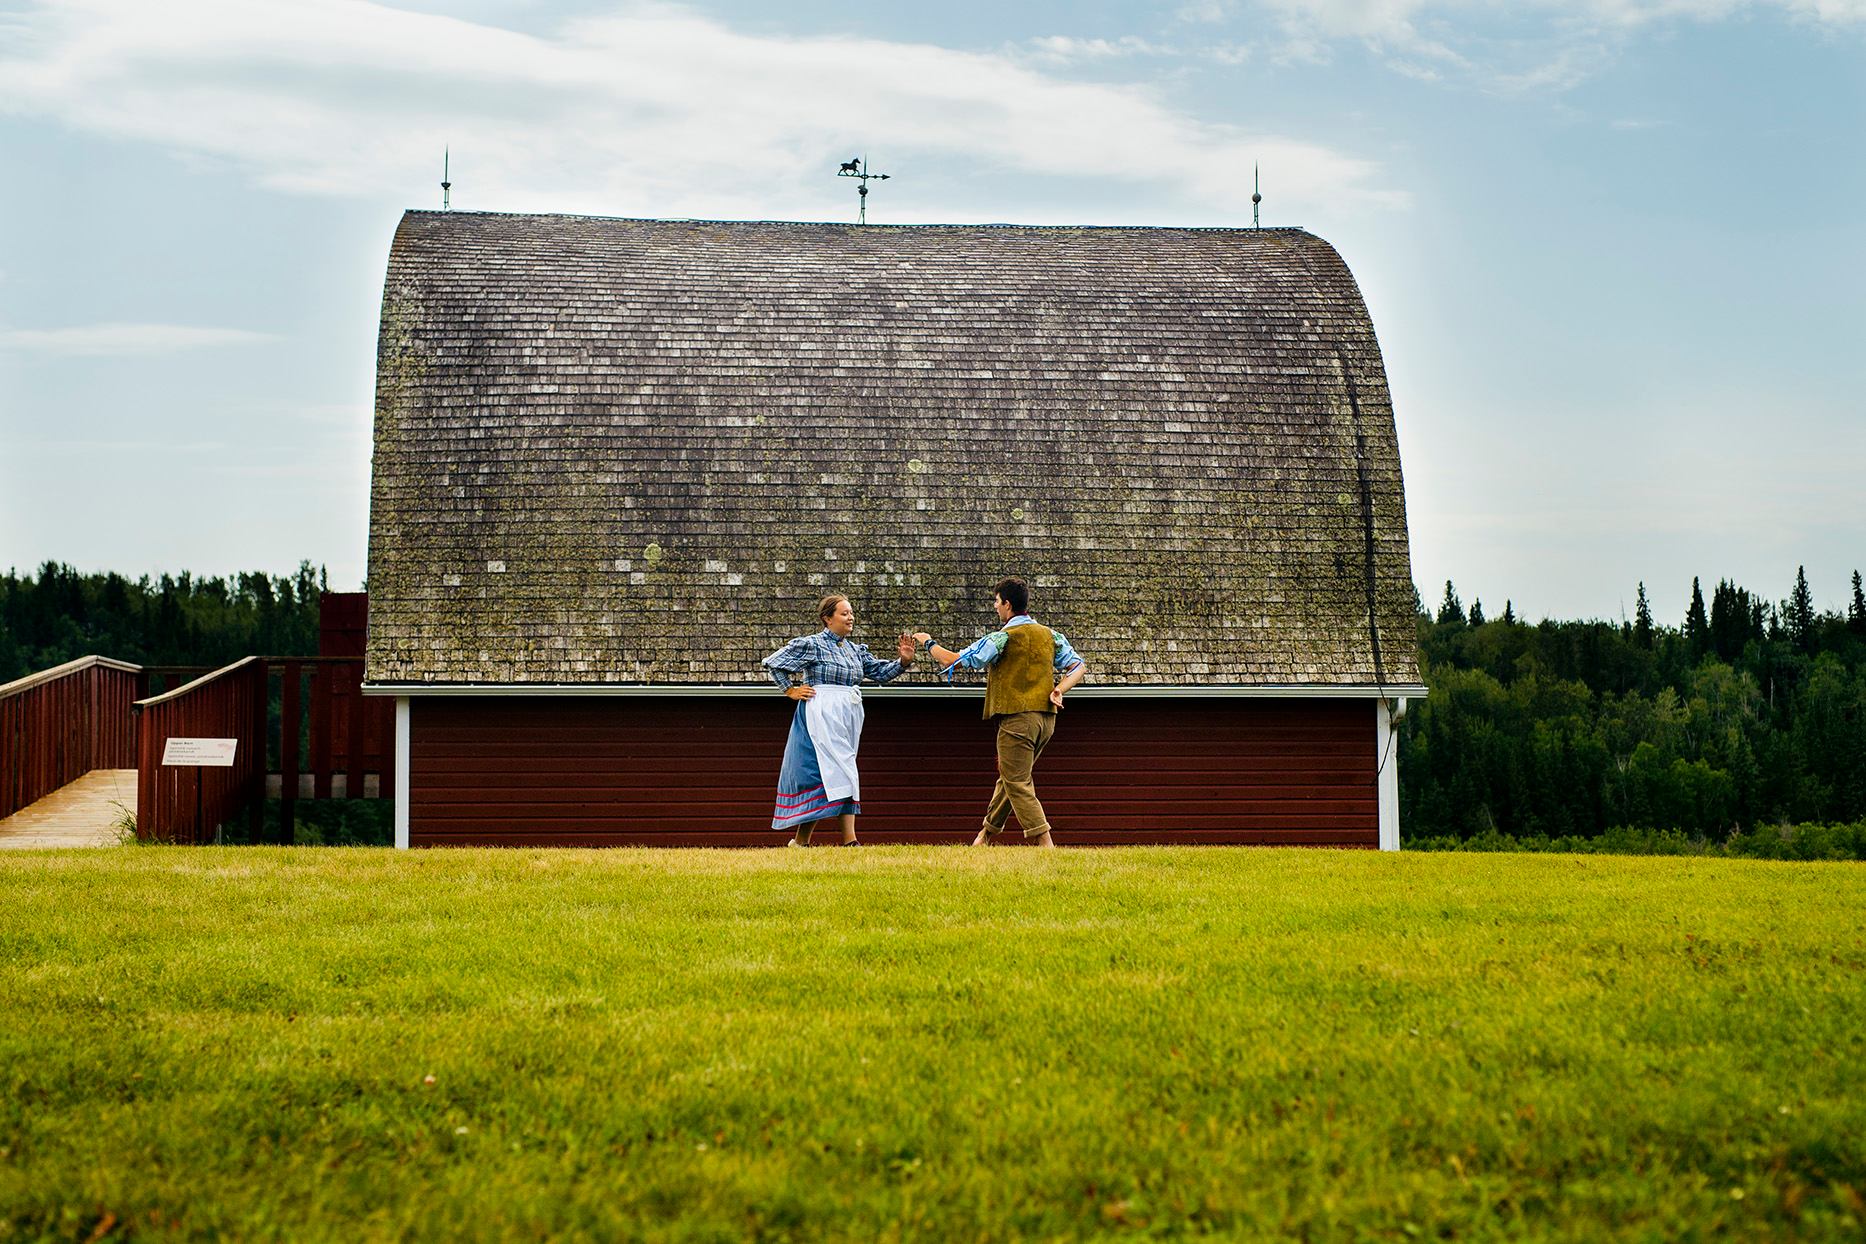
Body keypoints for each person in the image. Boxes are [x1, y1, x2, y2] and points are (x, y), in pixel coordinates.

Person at [914, 576, 1086, 848]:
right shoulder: (1051, 635)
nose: (995, 607)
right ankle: (985, 837)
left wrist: (927, 642)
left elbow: (953, 660)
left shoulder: (1002, 637)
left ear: (1007, 604)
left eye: (996, 601)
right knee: (1009, 778)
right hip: (1046, 720)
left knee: (1017, 781)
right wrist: (1059, 689)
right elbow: (1078, 666)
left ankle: (1045, 842)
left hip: (1017, 719)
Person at [762, 595, 917, 846]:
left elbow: (879, 672)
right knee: (833, 773)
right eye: (844, 613)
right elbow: (774, 663)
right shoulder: (813, 644)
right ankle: (849, 841)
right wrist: (789, 690)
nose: (850, 617)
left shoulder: (855, 650)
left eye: (851, 613)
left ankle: (801, 843)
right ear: (827, 618)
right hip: (820, 713)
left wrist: (903, 661)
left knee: (840, 773)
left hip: (847, 714)